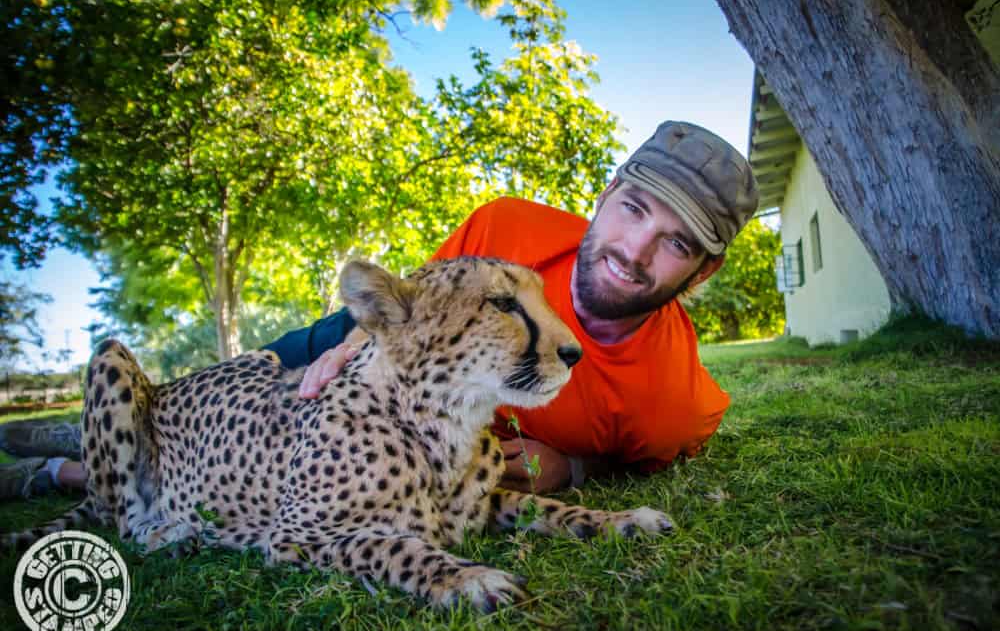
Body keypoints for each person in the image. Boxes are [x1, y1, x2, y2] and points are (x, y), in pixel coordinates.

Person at [0, 120, 757, 499]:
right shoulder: (510, 226)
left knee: (262, 474)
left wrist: (574, 464)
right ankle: (94, 425)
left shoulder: (672, 407)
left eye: (675, 244)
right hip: (383, 349)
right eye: (633, 210)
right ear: (605, 194)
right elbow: (416, 311)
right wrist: (359, 348)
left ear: (703, 271)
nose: (633, 250)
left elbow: (640, 458)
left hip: (441, 446)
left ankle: (63, 472)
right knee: (227, 401)